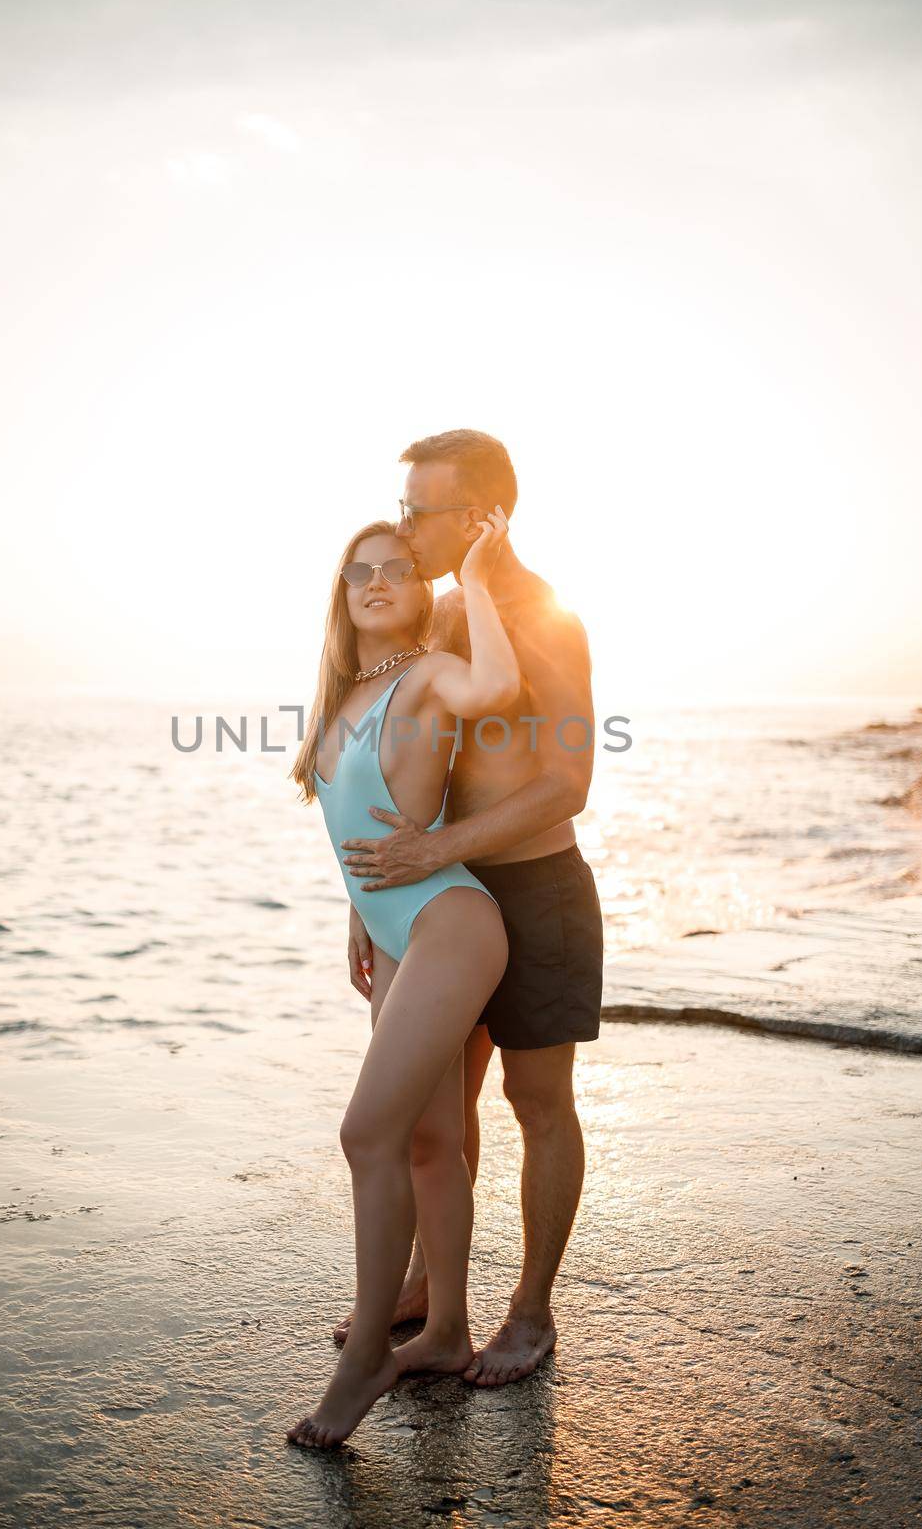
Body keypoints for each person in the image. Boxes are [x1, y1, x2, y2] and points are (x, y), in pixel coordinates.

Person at [334, 429, 603, 1387]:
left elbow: (567, 781)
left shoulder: (549, 622)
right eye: (399, 505)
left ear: (483, 515)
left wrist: (431, 851)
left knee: (537, 1103)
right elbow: (400, 759)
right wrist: (374, 896)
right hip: (442, 895)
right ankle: (426, 1292)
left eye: (420, 509)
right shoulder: (436, 615)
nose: (403, 526)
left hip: (536, 892)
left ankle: (530, 1313)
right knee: (436, 1109)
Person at [286, 508, 519, 1448]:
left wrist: (478, 575)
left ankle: (366, 1364)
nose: (376, 581)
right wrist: (358, 911)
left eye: (395, 569)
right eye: (358, 572)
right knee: (427, 1141)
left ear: (419, 591)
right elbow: (362, 825)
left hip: (451, 924)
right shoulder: (342, 691)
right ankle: (449, 1326)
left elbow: (497, 683)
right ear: (341, 596)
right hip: (393, 930)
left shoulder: (424, 676)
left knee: (365, 1132)